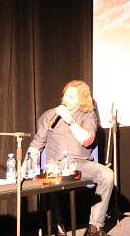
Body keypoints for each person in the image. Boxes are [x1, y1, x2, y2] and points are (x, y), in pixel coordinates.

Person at [28, 80, 114, 236]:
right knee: (48, 178)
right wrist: (26, 166)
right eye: (65, 95)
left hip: (79, 165)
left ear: (81, 100)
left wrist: (69, 119)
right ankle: (57, 224)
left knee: (107, 174)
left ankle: (94, 227)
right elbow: (36, 144)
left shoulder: (88, 115)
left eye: (71, 97)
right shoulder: (49, 115)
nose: (65, 99)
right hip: (55, 166)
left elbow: (87, 140)